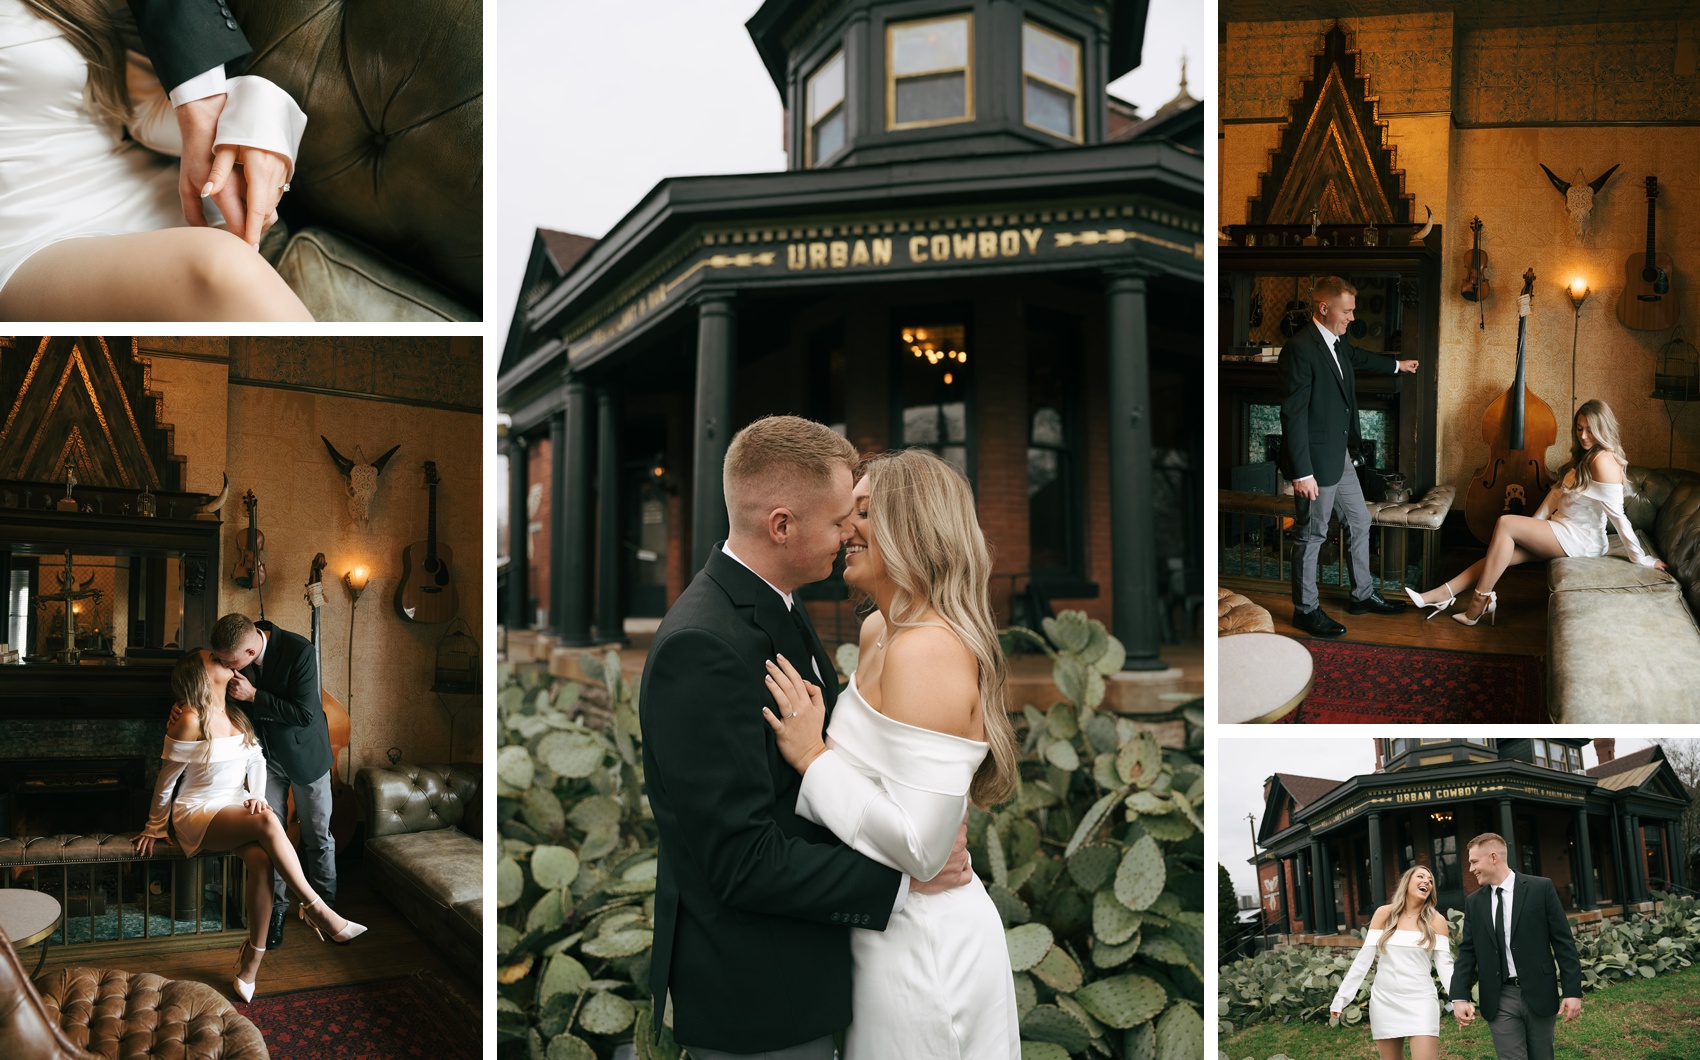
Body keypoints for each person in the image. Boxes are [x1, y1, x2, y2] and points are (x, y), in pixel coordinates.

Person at [639, 416, 975, 1060]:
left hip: (822, 967)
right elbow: (740, 862)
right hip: (762, 995)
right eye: (840, 519)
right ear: (783, 525)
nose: (852, 532)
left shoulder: (781, 606)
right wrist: (906, 882)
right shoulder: (702, 647)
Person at [761, 447, 1020, 1059]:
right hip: (878, 928)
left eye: (865, 512)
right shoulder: (880, 629)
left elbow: (924, 850)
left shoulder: (927, 649)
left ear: (915, 528)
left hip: (926, 951)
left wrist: (812, 757)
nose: (846, 528)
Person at [0, 0, 312, 320]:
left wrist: (256, 108)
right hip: (27, 241)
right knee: (220, 263)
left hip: (165, 199)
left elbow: (143, 114)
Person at [135, 650, 364, 1003]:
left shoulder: (237, 714)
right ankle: (318, 910)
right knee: (266, 818)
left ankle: (250, 966)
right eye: (214, 658)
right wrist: (154, 826)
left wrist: (257, 794)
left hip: (236, 803)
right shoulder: (190, 719)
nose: (223, 659)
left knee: (261, 860)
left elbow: (256, 758)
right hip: (198, 810)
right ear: (202, 675)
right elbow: (167, 779)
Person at [1406, 399, 1667, 625]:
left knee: (1506, 523)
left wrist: (1641, 558)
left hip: (1581, 540)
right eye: (1579, 428)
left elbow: (1618, 517)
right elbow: (1555, 495)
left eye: (1591, 430)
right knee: (1500, 556)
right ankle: (1441, 594)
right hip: (1562, 530)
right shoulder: (1584, 457)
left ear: (1604, 429)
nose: (1584, 436)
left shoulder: (1604, 461)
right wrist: (1531, 527)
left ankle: (1479, 603)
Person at [1278, 275, 1419, 637]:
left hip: (1338, 456)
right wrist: (1301, 472)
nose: (1352, 317)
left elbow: (1361, 357)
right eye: (1347, 310)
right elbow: (1292, 414)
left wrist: (1397, 365)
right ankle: (1306, 610)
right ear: (1324, 308)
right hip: (1314, 463)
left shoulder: (1338, 344)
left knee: (1360, 522)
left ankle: (1362, 595)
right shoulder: (1300, 348)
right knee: (1311, 535)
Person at [208, 613, 337, 951]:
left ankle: (324, 909)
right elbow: (204, 684)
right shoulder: (232, 654)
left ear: (250, 652)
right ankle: (277, 910)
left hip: (306, 758)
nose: (224, 665)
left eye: (229, 660)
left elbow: (305, 714)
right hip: (264, 762)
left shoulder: (300, 651)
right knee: (273, 838)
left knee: (317, 837)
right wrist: (181, 709)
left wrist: (254, 696)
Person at [1448, 833, 1582, 1060]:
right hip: (1499, 996)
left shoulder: (1541, 888)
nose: (1471, 869)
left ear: (1493, 857)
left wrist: (1572, 991)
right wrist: (1459, 996)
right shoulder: (1474, 902)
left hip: (1539, 991)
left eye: (1474, 862)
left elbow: (1563, 943)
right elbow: (1468, 952)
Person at [1328, 865, 1455, 1060]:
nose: (1427, 882)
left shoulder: (1437, 920)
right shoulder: (1384, 914)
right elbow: (1363, 960)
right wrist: (1341, 998)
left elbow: (1446, 966)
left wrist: (1458, 1000)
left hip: (1421, 1000)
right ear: (1407, 883)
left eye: (1430, 881)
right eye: (1420, 877)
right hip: (1385, 1000)